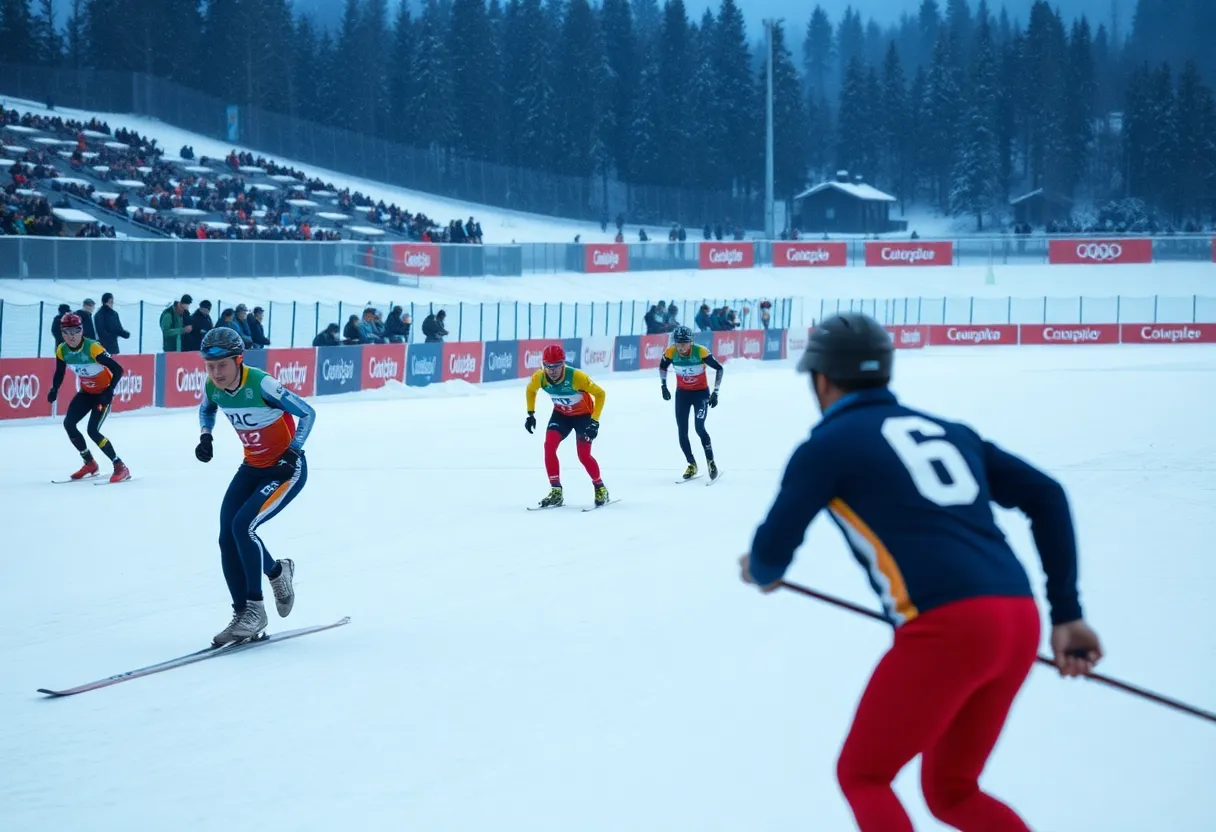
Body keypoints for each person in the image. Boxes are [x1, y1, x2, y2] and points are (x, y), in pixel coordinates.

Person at [738, 312, 1103, 832]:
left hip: (947, 629)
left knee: (864, 775)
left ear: (821, 379)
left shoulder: (826, 446)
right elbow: (1047, 494)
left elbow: (772, 553)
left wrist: (760, 569)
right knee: (951, 792)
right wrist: (1066, 612)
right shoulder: (951, 432)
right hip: (1019, 622)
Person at [194, 327, 315, 646]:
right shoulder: (213, 386)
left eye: (221, 365)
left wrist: (295, 450)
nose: (215, 373)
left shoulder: (261, 383)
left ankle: (255, 610)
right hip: (252, 468)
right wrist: (206, 435)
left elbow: (307, 413)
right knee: (226, 536)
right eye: (209, 366)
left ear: (238, 360)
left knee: (242, 527)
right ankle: (260, 592)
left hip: (284, 471)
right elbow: (206, 408)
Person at [46, 313, 131, 483]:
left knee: (92, 430)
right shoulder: (62, 350)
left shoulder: (92, 348)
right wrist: (54, 388)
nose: (71, 336)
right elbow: (60, 371)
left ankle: (120, 466)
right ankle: (90, 463)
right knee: (69, 424)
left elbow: (118, 369)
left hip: (102, 395)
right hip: (86, 393)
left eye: (75, 331)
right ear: (62, 333)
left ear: (81, 331)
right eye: (66, 332)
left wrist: (109, 390)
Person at [524, 344, 608, 508]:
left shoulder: (576, 377)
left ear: (563, 364)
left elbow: (600, 394)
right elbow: (530, 390)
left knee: (583, 455)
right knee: (549, 446)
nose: (552, 370)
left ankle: (600, 487)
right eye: (548, 366)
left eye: (556, 366)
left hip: (583, 417)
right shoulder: (540, 378)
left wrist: (595, 421)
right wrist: (530, 413)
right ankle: (556, 490)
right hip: (561, 415)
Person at [658, 325, 723, 481]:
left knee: (699, 428)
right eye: (678, 343)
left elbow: (719, 368)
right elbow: (662, 367)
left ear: (691, 342)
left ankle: (711, 461)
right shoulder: (670, 352)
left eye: (684, 343)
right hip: (682, 395)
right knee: (682, 430)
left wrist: (716, 392)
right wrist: (663, 386)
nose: (681, 347)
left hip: (700, 394)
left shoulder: (700, 351)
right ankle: (691, 464)